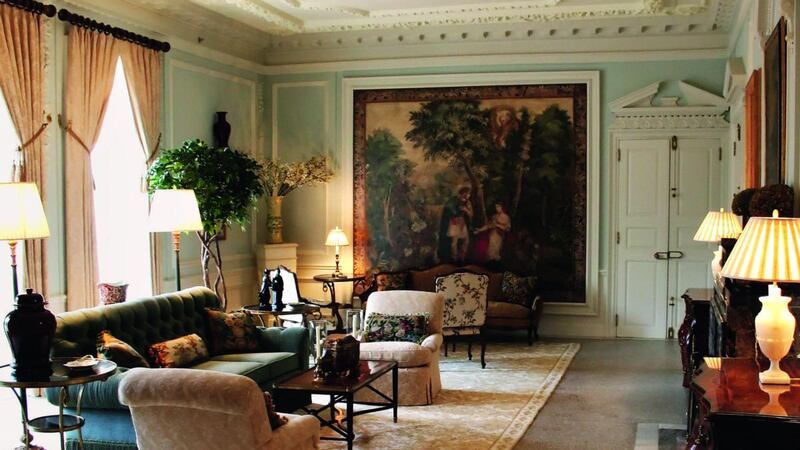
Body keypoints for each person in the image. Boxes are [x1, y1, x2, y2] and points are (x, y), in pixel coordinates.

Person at [438, 186, 473, 263]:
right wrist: (455, 213)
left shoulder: (467, 203)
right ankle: (454, 259)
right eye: (467, 193)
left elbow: (471, 215)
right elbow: (449, 209)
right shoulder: (453, 201)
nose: (468, 195)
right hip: (454, 223)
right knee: (454, 243)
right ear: (462, 193)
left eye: (469, 194)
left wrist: (466, 210)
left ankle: (462, 258)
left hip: (462, 223)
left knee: (466, 241)